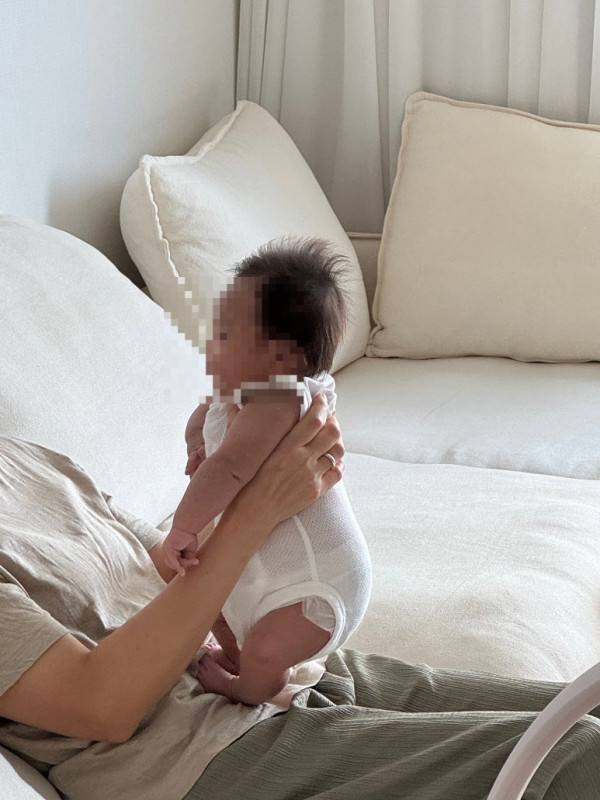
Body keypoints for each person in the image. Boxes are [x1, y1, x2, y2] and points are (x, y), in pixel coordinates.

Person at [0, 417, 599, 799]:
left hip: (270, 674)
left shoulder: (32, 459)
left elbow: (167, 566)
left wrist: (248, 469)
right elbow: (100, 706)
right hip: (201, 759)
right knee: (578, 756)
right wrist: (257, 508)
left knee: (588, 706)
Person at [162, 236, 372, 706]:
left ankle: (250, 688)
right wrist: (197, 438)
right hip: (275, 575)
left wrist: (184, 526)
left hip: (319, 587)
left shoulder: (281, 400)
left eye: (226, 336)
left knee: (267, 650)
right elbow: (205, 419)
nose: (211, 345)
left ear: (280, 358)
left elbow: (230, 469)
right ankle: (239, 655)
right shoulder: (242, 393)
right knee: (212, 606)